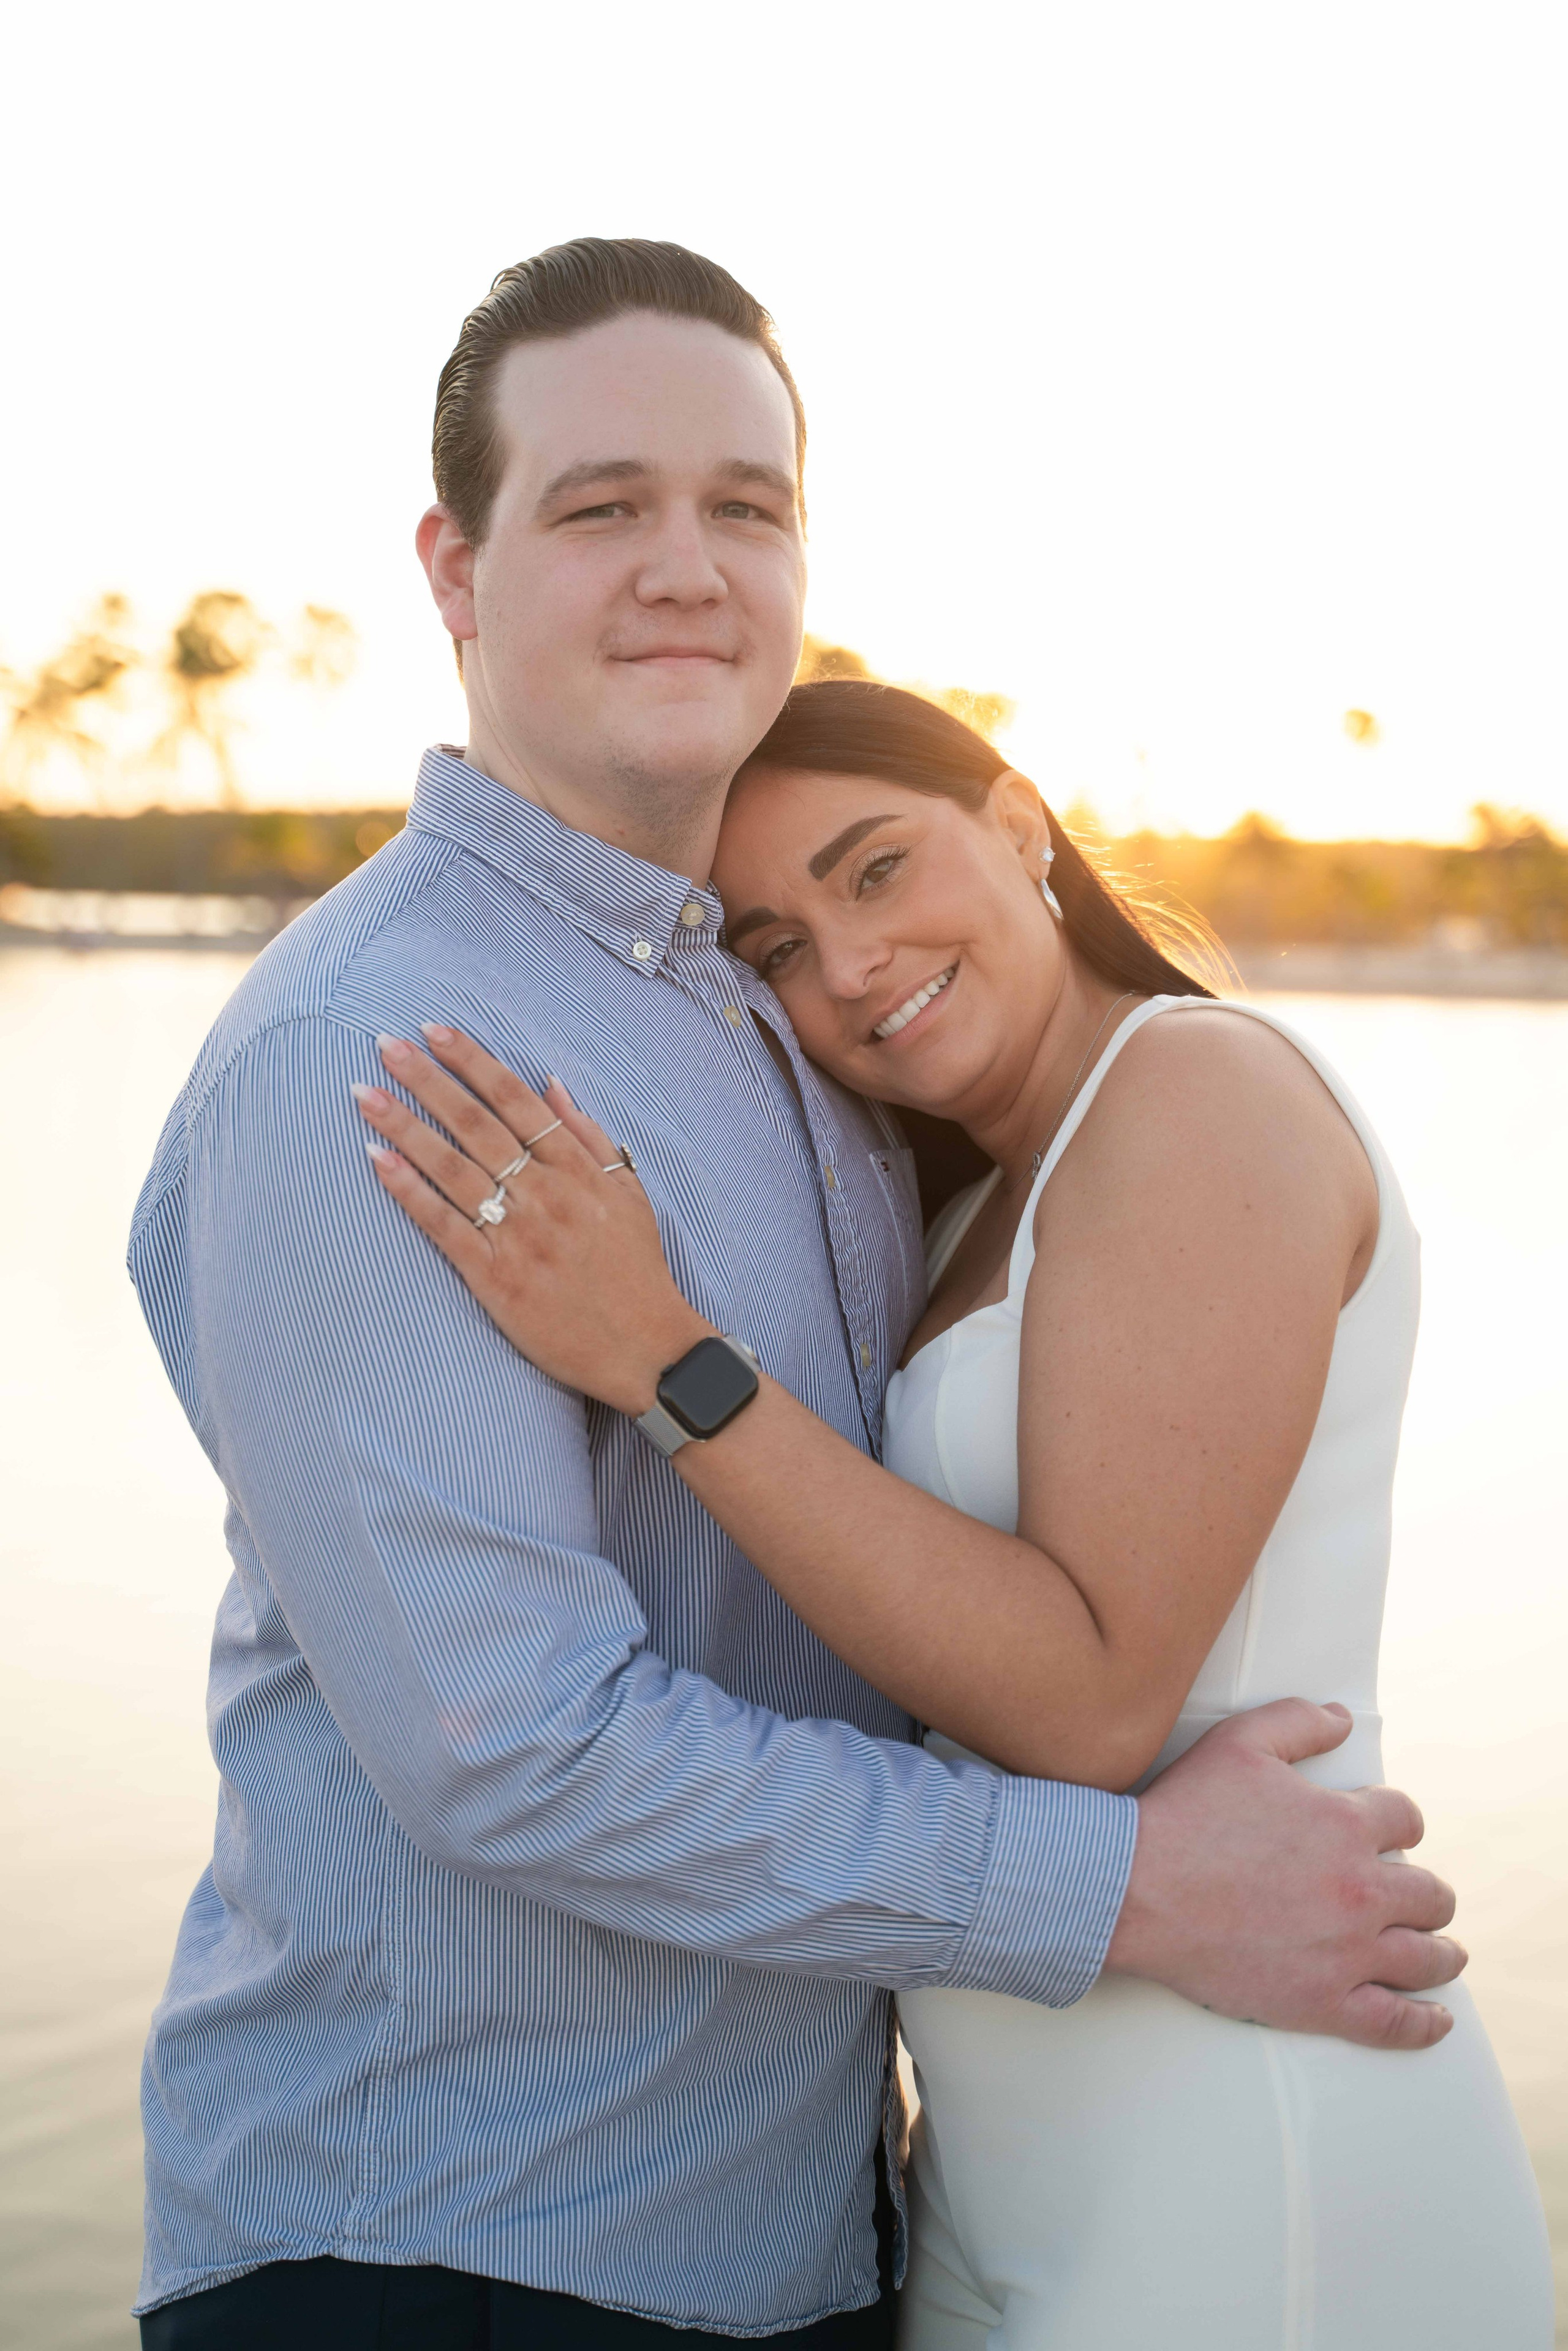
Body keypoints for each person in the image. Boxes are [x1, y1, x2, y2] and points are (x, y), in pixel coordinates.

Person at [129, 240, 1468, 2349]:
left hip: (835, 2231)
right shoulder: (376, 1050)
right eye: (603, 506)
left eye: (743, 507)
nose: (686, 567)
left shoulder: (802, 1040)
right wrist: (1117, 1888)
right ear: (456, 569)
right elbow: (516, 1746)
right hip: (458, 2251)